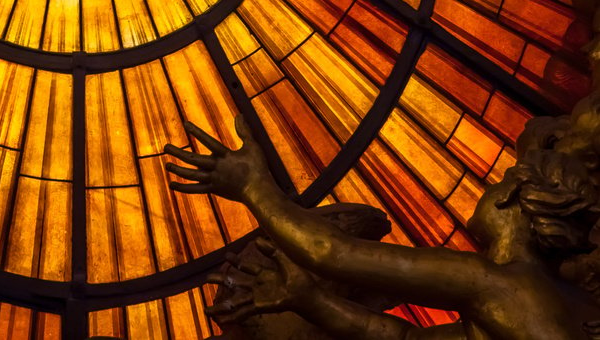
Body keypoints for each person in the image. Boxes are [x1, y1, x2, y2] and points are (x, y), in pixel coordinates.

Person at [166, 116, 600, 340]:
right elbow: (404, 338)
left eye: (501, 181)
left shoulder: (504, 287)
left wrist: (254, 188)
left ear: (512, 199)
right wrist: (311, 300)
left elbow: (333, 254)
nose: (490, 187)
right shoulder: (552, 302)